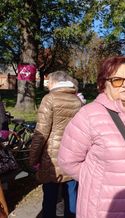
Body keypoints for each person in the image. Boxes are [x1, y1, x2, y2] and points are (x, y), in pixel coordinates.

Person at [58, 56, 125, 218]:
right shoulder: (89, 115)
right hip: (104, 207)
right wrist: (97, 180)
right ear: (104, 83)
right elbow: (68, 160)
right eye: (117, 80)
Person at [29, 71, 82, 218]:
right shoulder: (77, 101)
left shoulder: (50, 99)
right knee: (71, 195)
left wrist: (33, 158)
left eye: (48, 82)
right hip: (73, 153)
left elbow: (41, 132)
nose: (47, 85)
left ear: (54, 82)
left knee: (50, 198)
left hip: (52, 156)